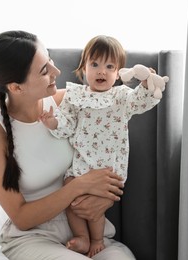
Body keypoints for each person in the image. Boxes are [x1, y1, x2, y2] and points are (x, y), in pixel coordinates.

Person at [0, 30, 136, 260]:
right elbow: (21, 217)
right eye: (44, 70)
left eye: (49, 59)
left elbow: (111, 148)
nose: (56, 71)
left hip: (83, 227)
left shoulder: (72, 102)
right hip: (30, 234)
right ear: (16, 87)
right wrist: (78, 186)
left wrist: (104, 199)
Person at [39, 35, 161, 257]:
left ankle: (96, 238)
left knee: (94, 206)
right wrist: (52, 121)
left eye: (109, 66)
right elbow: (66, 124)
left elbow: (141, 102)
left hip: (108, 169)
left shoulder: (121, 97)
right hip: (81, 165)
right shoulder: (75, 97)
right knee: (69, 195)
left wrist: (146, 83)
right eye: (94, 64)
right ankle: (83, 238)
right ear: (83, 68)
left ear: (118, 72)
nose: (101, 71)